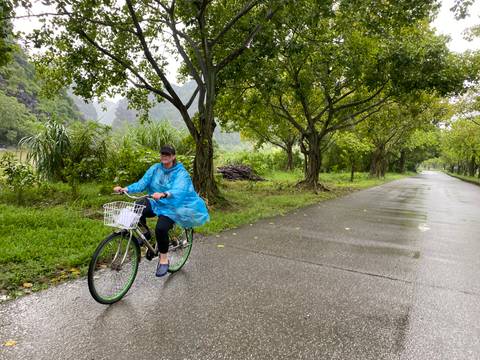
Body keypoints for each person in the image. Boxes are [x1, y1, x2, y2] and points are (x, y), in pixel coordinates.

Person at [114, 144, 209, 277]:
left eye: (167, 154)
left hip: (173, 206)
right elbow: (142, 183)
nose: (164, 156)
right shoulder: (155, 168)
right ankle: (146, 233)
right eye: (162, 154)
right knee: (137, 206)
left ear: (173, 156)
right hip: (156, 201)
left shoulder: (181, 172)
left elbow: (180, 189)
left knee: (161, 229)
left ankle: (163, 259)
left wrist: (165, 194)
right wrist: (126, 189)